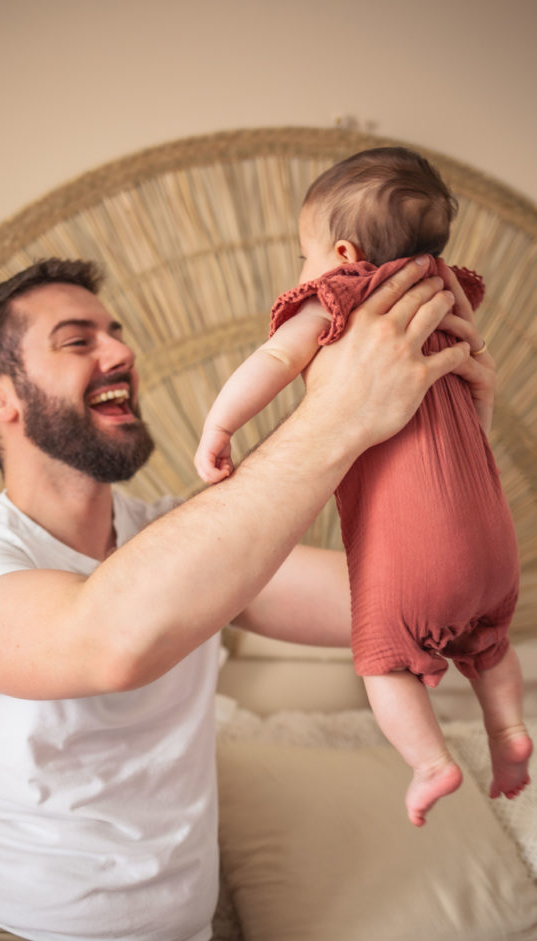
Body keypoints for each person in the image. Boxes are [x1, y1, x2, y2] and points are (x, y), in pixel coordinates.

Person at [0, 249, 490, 941]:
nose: (120, 352)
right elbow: (103, 642)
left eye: (114, 333)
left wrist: (451, 449)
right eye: (77, 340)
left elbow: (432, 605)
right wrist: (334, 414)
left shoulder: (189, 544)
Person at [195, 146, 531, 828]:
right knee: (487, 641)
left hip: (418, 556)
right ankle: (507, 734)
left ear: (343, 253)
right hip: (495, 546)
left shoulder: (346, 300)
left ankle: (430, 763)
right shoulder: (441, 297)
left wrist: (220, 427)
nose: (302, 270)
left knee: (382, 659)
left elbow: (274, 359)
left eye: (302, 254)